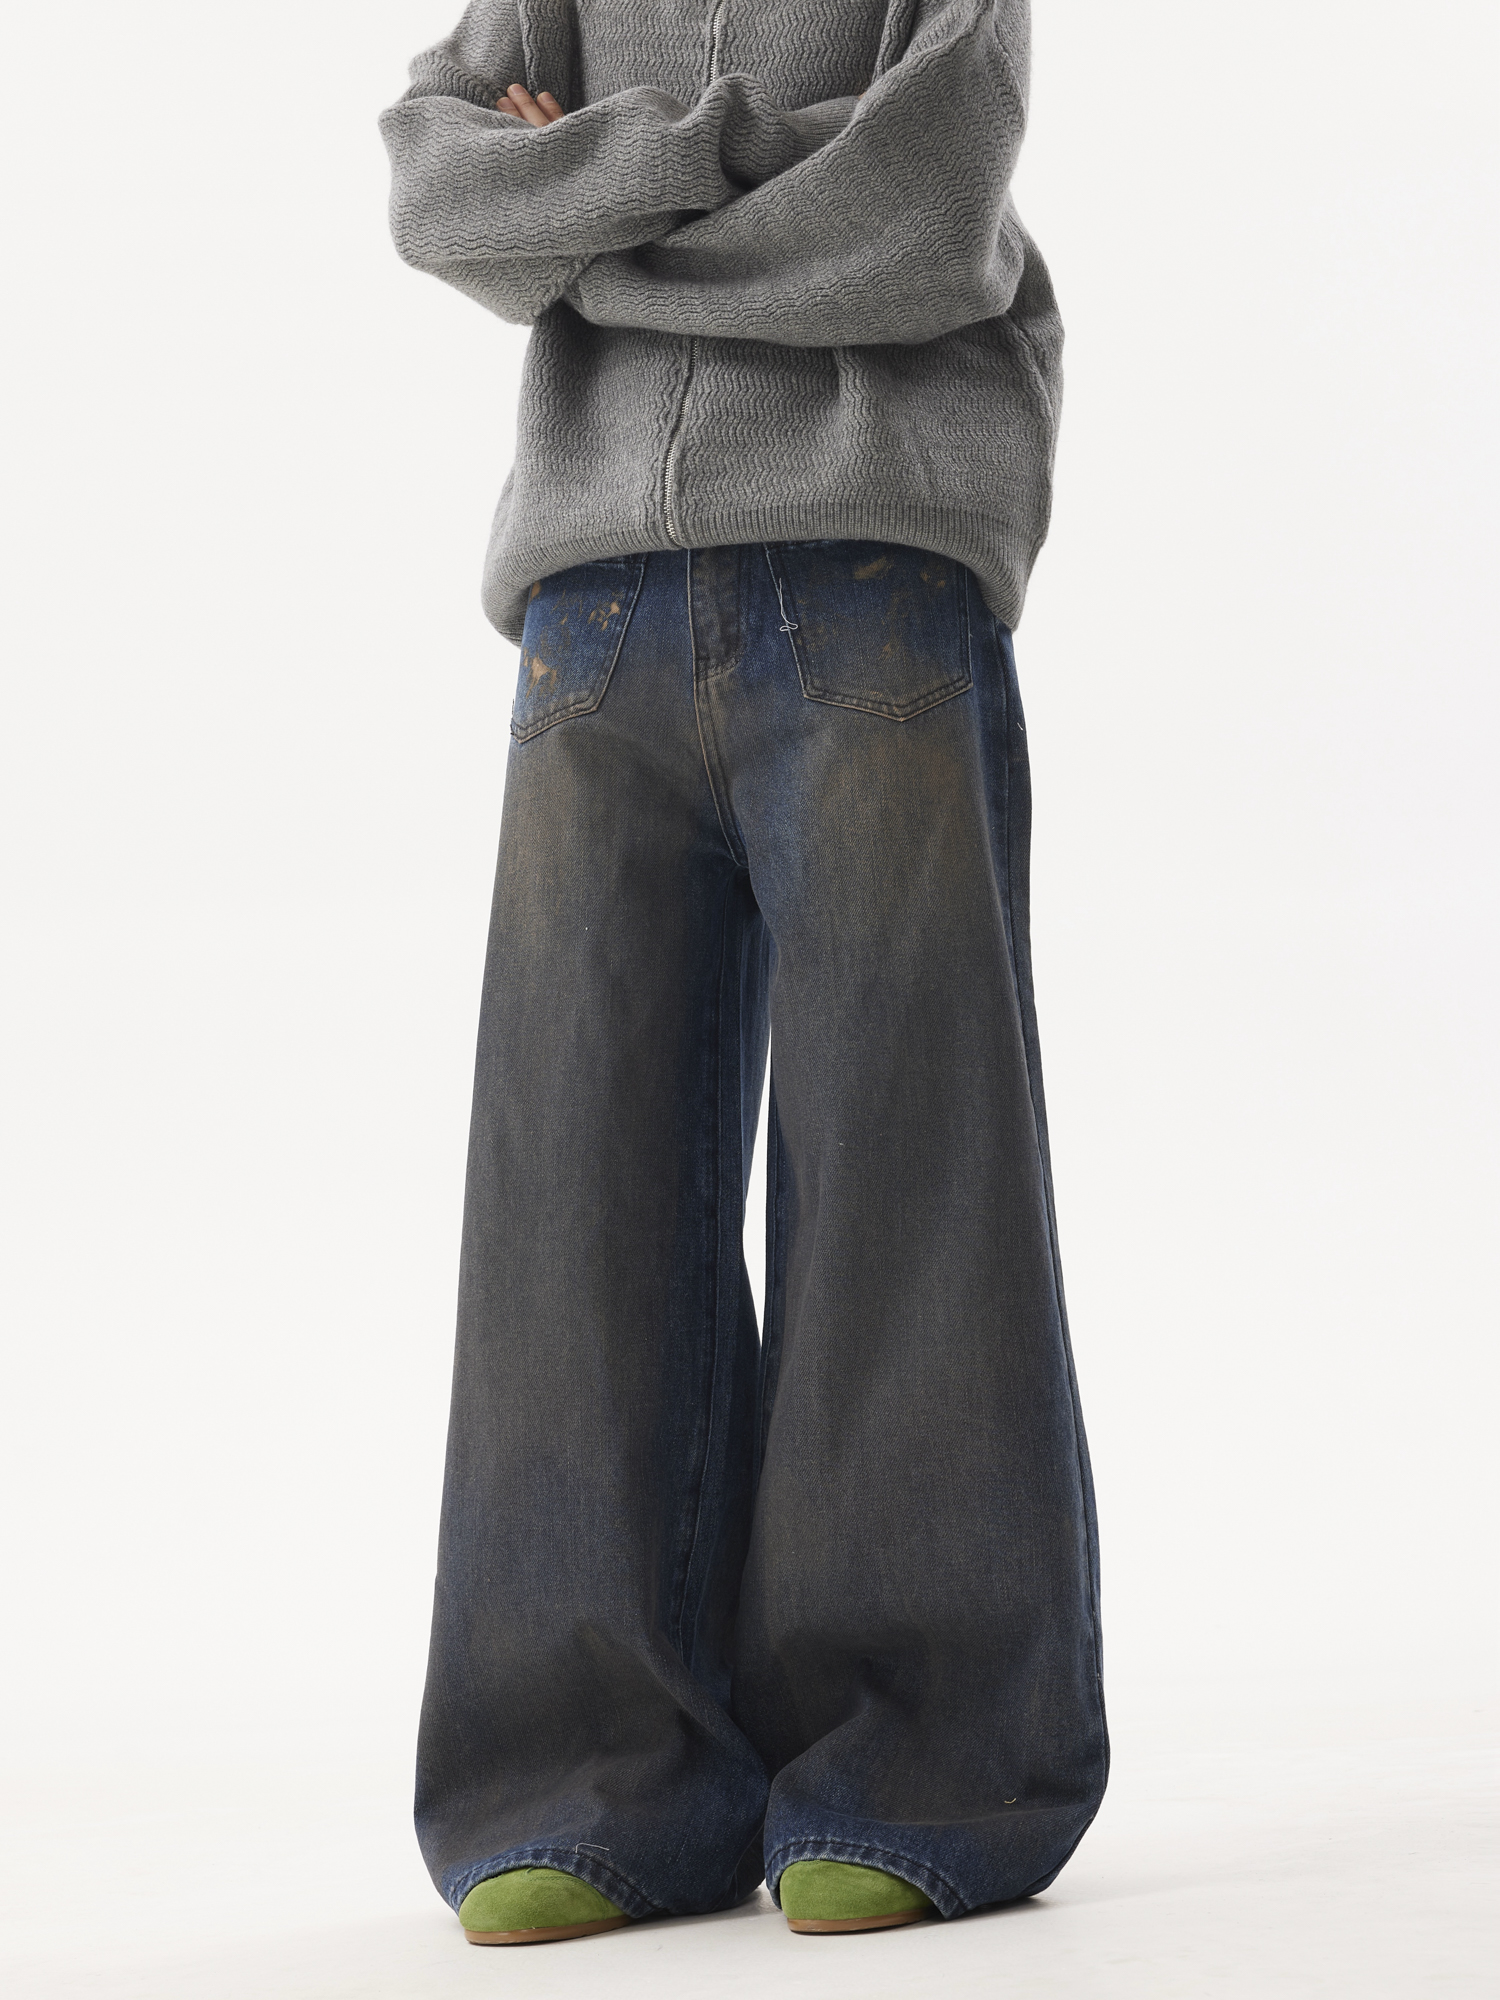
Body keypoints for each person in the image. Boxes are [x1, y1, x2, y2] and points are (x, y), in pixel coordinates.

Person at [378, 0, 1106, 1946]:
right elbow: (438, 186)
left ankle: (926, 1763)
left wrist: (600, 187)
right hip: (593, 611)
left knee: (906, 1173)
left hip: (874, 563)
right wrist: (740, 151)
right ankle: (582, 1777)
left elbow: (922, 212)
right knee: (569, 1194)